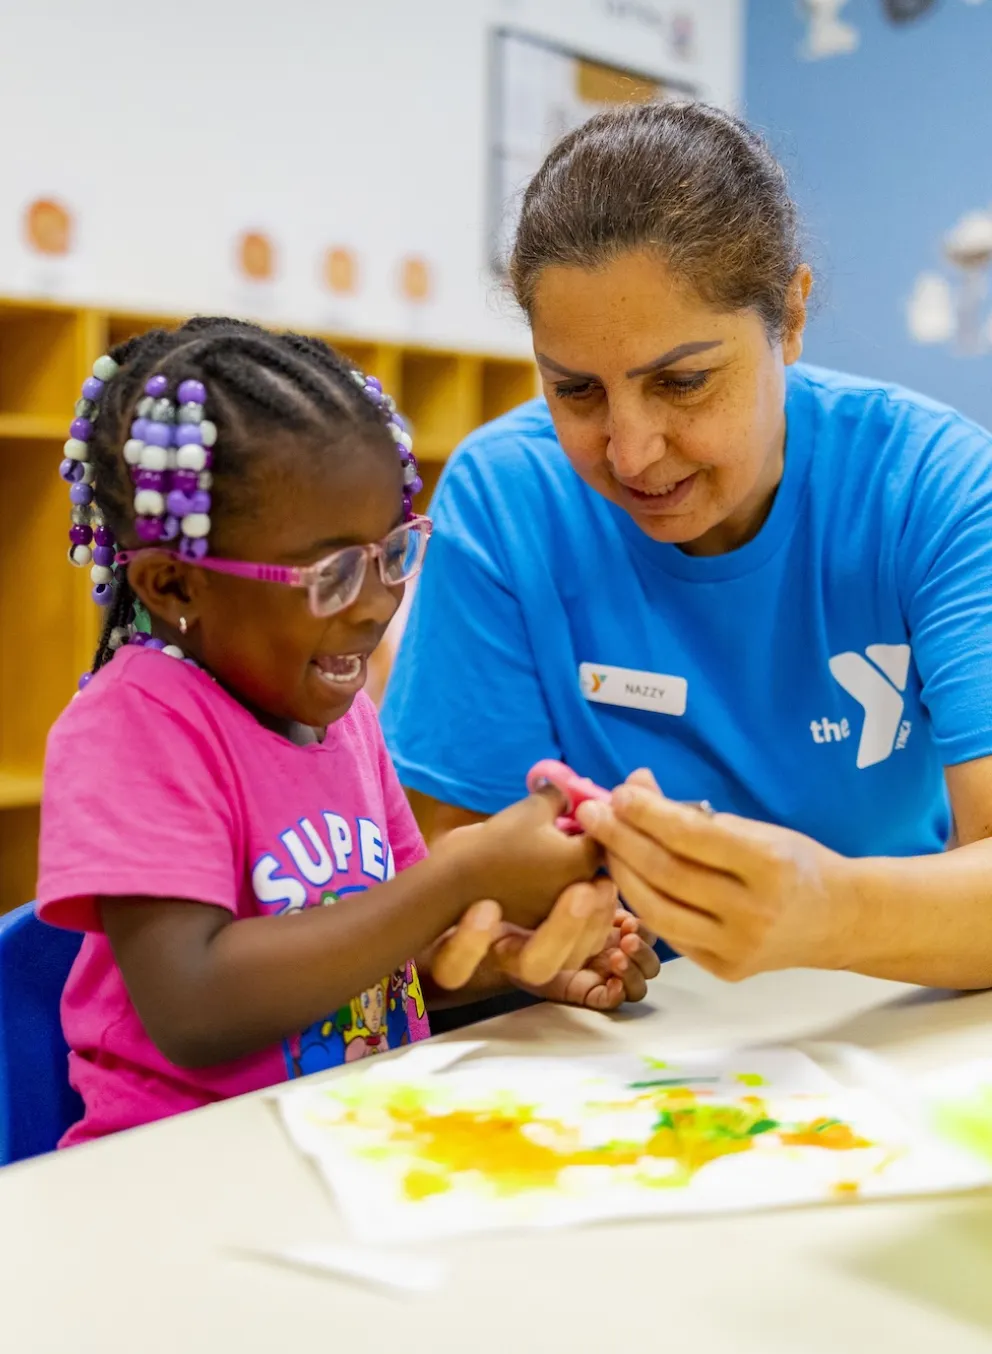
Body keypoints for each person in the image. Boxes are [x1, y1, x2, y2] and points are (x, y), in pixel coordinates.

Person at [383, 100, 992, 991]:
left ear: (790, 317)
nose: (630, 452)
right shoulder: (506, 497)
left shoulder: (931, 485)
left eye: (682, 381)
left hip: (890, 1007)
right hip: (622, 1051)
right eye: (577, 391)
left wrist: (832, 913)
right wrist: (515, 962)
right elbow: (435, 891)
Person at [37, 318, 659, 1146]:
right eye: (331, 573)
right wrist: (457, 876)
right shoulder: (135, 724)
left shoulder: (344, 719)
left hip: (354, 1142)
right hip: (186, 1174)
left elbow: (384, 965)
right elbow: (194, 1006)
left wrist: (514, 957)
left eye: (391, 554)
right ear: (174, 581)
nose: (374, 604)